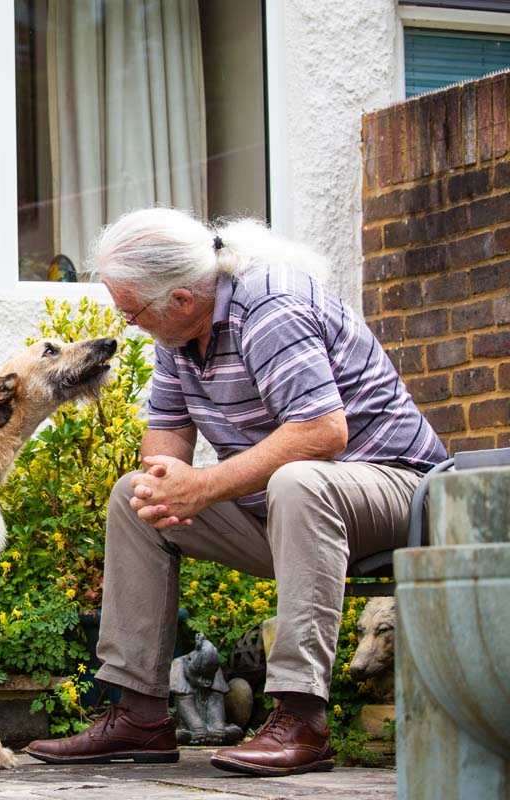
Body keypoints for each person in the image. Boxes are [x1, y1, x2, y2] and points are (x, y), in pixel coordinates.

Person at [24, 207, 447, 776]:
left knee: (299, 479)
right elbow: (167, 436)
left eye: (132, 311)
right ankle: (139, 715)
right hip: (288, 509)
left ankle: (302, 717)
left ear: (181, 298)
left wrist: (203, 486)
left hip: (396, 488)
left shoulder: (270, 308)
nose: (129, 324)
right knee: (134, 498)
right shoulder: (178, 334)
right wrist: (167, 482)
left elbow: (322, 432)